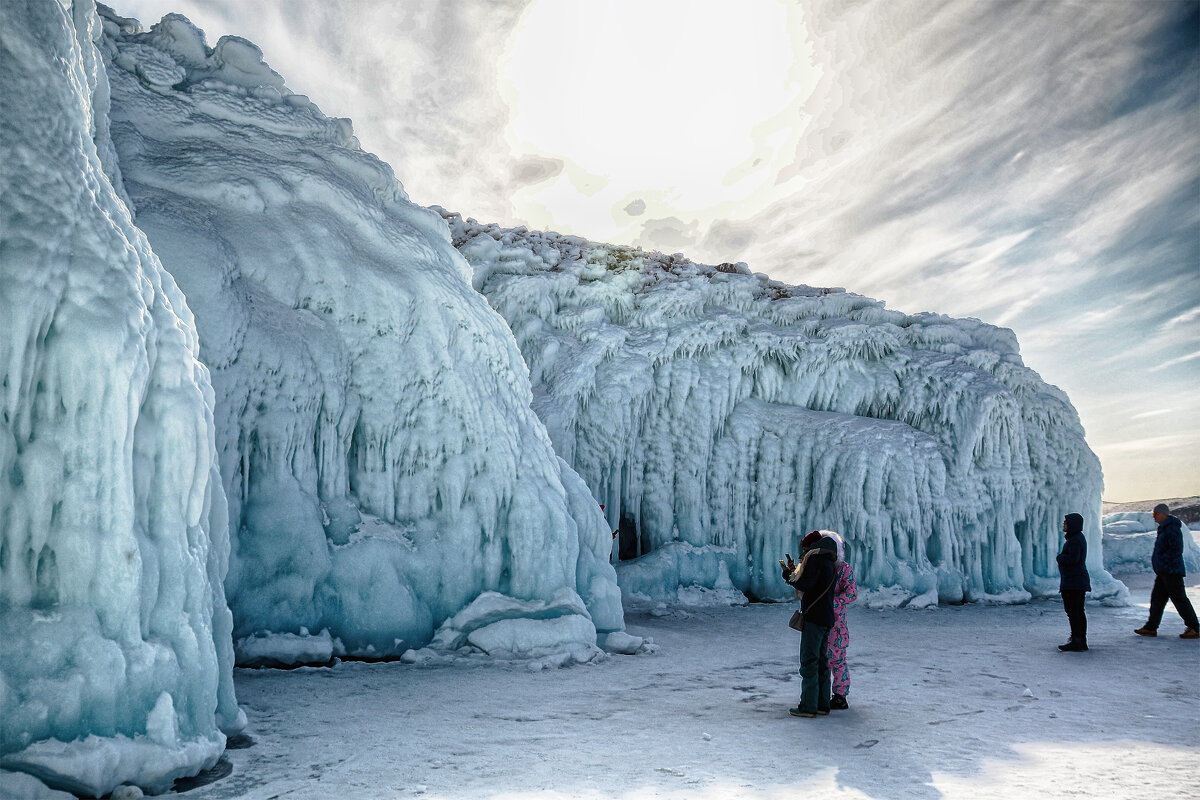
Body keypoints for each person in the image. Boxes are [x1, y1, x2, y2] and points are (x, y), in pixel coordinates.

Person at [781, 530, 837, 718]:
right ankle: (823, 703)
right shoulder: (830, 561)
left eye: (804, 549)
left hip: (814, 618)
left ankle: (808, 706)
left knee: (809, 662)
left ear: (811, 547)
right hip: (826, 617)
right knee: (821, 662)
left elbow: (806, 584)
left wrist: (789, 575)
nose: (803, 553)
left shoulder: (815, 560)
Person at [1134, 504, 1200, 639]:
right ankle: (1151, 627)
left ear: (1163, 514)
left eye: (1155, 514)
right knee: (1157, 599)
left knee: (1179, 599)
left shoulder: (1172, 529)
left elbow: (1175, 549)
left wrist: (1164, 562)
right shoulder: (1165, 528)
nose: (1154, 517)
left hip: (1171, 571)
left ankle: (1194, 627)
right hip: (1164, 571)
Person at [822, 531, 857, 708]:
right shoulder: (819, 566)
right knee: (821, 658)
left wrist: (834, 602)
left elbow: (852, 593)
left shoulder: (844, 569)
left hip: (837, 623)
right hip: (820, 620)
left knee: (837, 658)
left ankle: (840, 696)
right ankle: (821, 693)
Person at [1055, 512, 1090, 652]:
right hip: (1076, 581)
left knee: (1074, 612)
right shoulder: (1077, 538)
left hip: (1074, 582)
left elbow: (1073, 559)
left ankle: (1077, 641)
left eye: (1066, 523)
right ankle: (1080, 639)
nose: (1064, 525)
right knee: (1077, 611)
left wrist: (1060, 557)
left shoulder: (1075, 540)